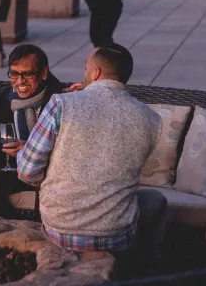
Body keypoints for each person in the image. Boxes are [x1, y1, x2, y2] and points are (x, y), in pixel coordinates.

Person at [16, 44, 166, 277]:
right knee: (156, 201)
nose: (84, 73)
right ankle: (146, 272)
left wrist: (52, 182)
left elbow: (26, 170)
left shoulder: (61, 104)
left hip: (61, 228)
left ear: (95, 73)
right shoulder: (152, 119)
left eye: (86, 68)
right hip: (116, 233)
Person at [0, 44, 65, 217]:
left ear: (44, 73)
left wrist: (29, 149)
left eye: (27, 74)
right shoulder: (4, 97)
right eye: (14, 74)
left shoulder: (58, 100)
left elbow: (67, 150)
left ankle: (1, 224)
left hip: (44, 173)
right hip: (11, 171)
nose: (19, 82)